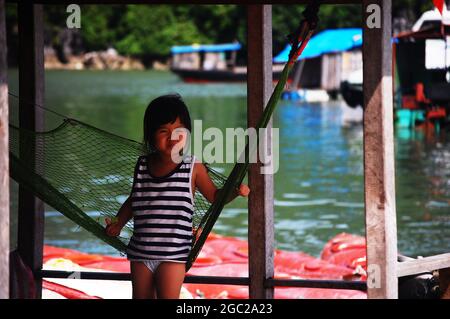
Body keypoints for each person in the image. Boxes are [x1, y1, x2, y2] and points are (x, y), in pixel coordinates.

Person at [105, 94, 250, 299]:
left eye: (178, 131)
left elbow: (214, 196)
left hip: (173, 256)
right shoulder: (143, 165)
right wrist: (118, 223)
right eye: (164, 131)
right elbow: (133, 199)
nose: (172, 137)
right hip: (140, 252)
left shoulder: (193, 166)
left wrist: (234, 192)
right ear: (151, 135)